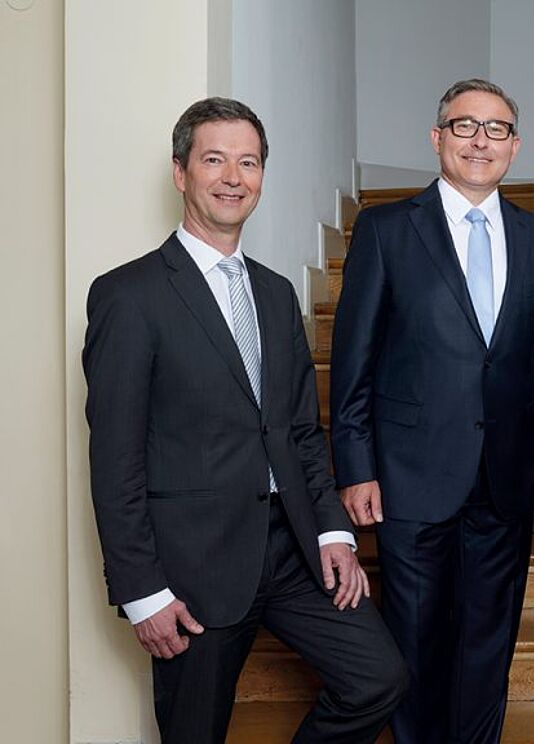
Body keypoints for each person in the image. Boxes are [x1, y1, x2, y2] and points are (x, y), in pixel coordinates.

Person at [83, 97, 407, 744]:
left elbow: (299, 432)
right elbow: (115, 458)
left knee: (379, 678)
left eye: (249, 162)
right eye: (214, 160)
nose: (234, 177)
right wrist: (142, 591)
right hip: (193, 565)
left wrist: (333, 532)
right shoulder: (129, 295)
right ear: (181, 172)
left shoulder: (275, 292)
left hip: (291, 549)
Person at [329, 78, 534, 743]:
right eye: (465, 126)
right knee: (414, 639)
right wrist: (355, 468)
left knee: (488, 642)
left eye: (497, 129)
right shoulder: (385, 229)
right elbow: (353, 362)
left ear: (515, 147)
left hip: (505, 476)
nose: (480, 141)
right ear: (437, 138)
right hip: (409, 475)